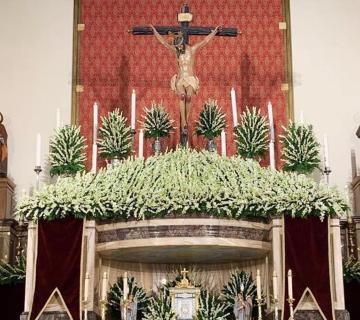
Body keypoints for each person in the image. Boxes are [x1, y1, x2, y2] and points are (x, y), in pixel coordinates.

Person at [149, 25, 221, 144]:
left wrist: (214, 32)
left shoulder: (192, 49)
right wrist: (155, 31)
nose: (178, 48)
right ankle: (183, 122)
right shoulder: (176, 51)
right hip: (181, 78)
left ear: (183, 42)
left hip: (190, 78)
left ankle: (185, 121)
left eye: (179, 46)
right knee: (182, 96)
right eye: (177, 46)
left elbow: (205, 41)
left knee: (188, 97)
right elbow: (163, 43)